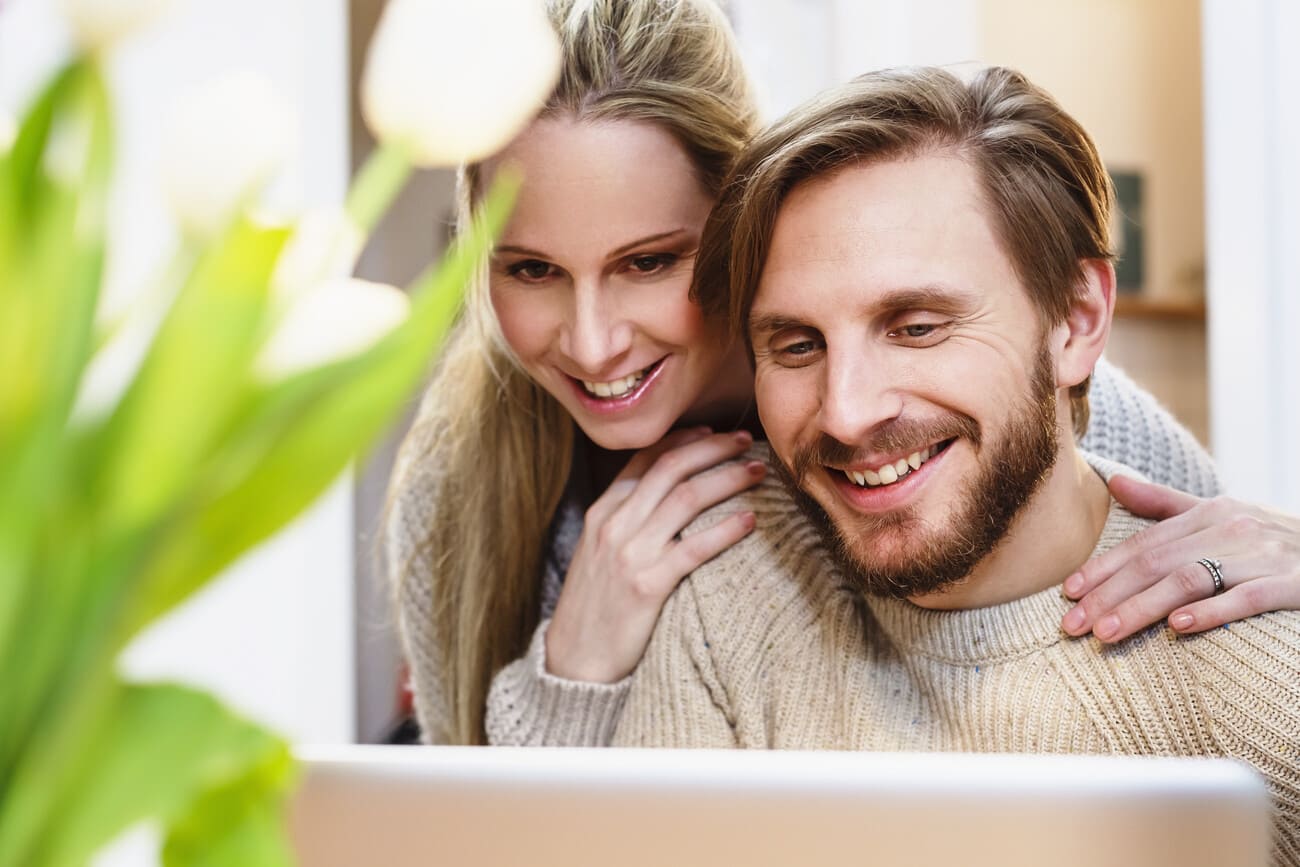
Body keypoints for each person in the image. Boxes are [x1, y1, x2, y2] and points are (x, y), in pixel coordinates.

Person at [383, 0, 1287, 749]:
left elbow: (1204, 624)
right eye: (532, 269)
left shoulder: (1039, 416)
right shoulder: (461, 486)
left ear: (746, 233)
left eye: (650, 261)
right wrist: (574, 671)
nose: (591, 343)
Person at [608, 65, 1300, 862]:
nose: (846, 410)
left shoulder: (1261, 681)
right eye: (797, 345)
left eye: (917, 326)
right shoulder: (730, 581)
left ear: (1076, 321)